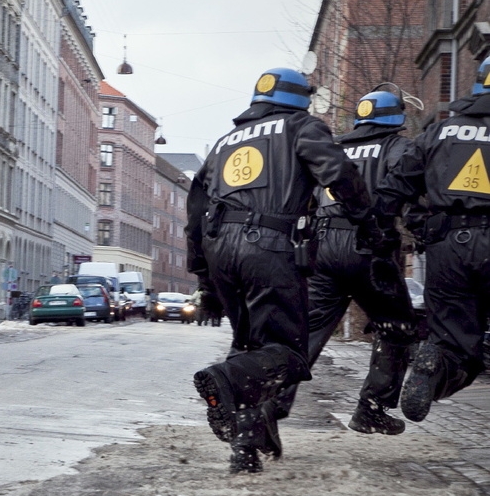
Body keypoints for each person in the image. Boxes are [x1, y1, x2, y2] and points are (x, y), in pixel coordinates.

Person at [186, 66, 374, 473]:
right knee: (288, 353)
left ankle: (246, 447)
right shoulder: (300, 126)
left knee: (252, 345)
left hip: (220, 250)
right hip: (268, 246)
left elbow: (196, 211)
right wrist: (366, 221)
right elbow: (339, 173)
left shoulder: (223, 142)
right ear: (300, 99)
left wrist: (205, 279)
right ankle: (226, 380)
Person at [274, 88, 417, 435]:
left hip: (323, 248)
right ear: (396, 118)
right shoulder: (400, 148)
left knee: (305, 333)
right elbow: (411, 195)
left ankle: (270, 401)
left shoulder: (335, 146)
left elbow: (304, 197)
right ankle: (371, 409)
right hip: (369, 248)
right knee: (397, 326)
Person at [376, 56, 490, 421]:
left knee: (456, 343)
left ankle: (436, 363)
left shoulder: (438, 132)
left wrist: (418, 225)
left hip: (448, 247)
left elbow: (394, 187)